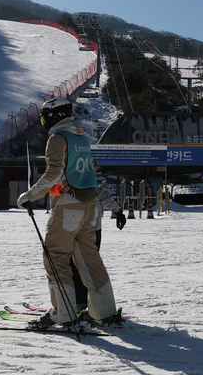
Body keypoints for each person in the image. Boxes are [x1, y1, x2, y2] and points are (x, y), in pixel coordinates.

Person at [17, 97, 120, 329]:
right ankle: (103, 312)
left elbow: (53, 173)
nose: (44, 121)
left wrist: (30, 195)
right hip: (90, 207)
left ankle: (62, 313)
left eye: (44, 117)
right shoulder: (80, 137)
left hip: (68, 208)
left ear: (55, 116)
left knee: (55, 256)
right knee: (88, 258)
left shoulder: (57, 138)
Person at [71, 175, 126, 311]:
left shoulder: (80, 183)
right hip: (86, 230)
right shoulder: (81, 182)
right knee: (83, 265)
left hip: (87, 231)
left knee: (81, 265)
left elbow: (104, 195)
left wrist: (118, 212)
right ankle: (83, 300)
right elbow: (104, 195)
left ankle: (83, 301)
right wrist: (118, 212)